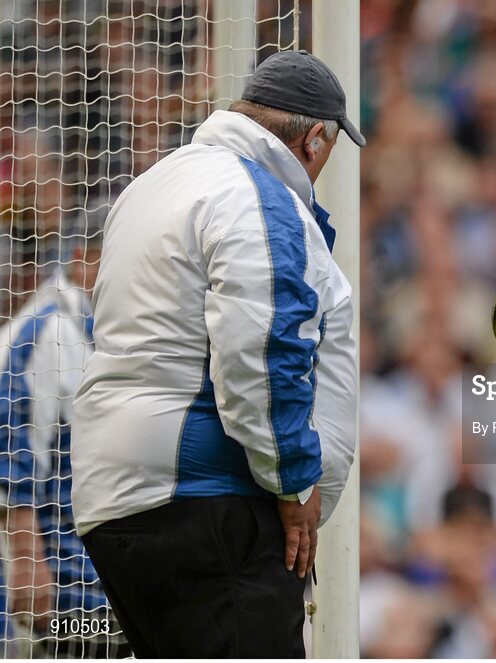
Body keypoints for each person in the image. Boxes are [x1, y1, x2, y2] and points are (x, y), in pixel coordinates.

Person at [70, 50, 362, 658]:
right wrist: (294, 483)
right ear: (314, 139)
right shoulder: (259, 197)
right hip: (206, 496)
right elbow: (261, 353)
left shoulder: (154, 182)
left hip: (112, 500)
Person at [0, 228, 131, 657]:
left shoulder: (99, 331)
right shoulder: (49, 329)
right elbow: (14, 447)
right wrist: (27, 558)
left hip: (98, 576)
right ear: (81, 257)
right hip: (58, 580)